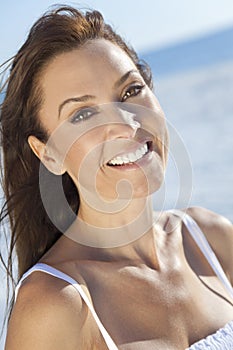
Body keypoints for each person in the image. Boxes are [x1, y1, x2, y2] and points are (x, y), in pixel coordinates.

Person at [0, 5, 233, 350]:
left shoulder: (210, 238)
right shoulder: (56, 304)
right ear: (49, 152)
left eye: (129, 92)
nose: (127, 124)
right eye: (84, 114)